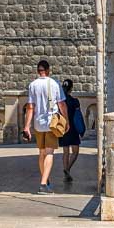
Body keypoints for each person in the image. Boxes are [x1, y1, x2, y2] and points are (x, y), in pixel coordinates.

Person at [21, 59, 67, 194]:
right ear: (48, 70)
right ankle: (43, 184)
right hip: (51, 123)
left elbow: (30, 107)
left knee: (41, 152)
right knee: (49, 152)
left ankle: (45, 179)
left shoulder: (32, 85)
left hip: (38, 123)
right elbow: (62, 104)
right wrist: (66, 120)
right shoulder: (55, 84)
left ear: (38, 71)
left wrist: (26, 127)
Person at [59, 79, 83, 181]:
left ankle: (66, 173)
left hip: (63, 128)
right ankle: (67, 169)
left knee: (65, 152)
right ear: (71, 89)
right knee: (75, 152)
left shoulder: (60, 102)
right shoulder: (75, 101)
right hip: (73, 129)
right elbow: (78, 117)